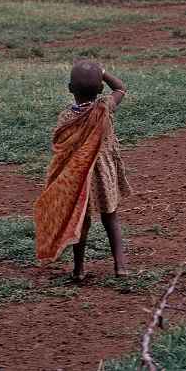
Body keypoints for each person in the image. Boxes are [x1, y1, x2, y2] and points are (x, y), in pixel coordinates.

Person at [34, 60, 132, 281]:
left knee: (81, 221)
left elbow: (60, 148)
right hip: (103, 174)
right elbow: (120, 88)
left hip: (78, 179)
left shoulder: (66, 118)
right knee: (111, 218)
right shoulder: (104, 107)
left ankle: (79, 270)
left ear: (70, 88)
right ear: (100, 89)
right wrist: (104, 72)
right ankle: (121, 266)